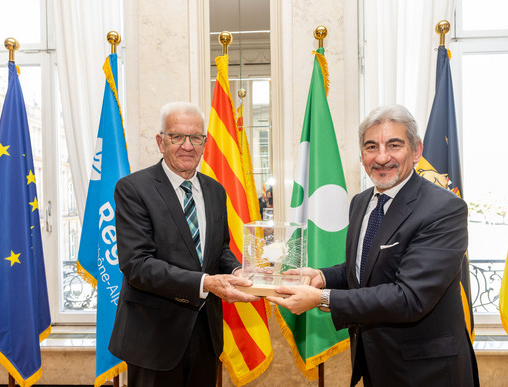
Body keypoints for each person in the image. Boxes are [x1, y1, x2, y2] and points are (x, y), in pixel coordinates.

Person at [268, 104, 479, 387]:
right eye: (371, 147)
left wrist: (322, 298)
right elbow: (366, 269)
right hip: (377, 364)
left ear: (416, 150)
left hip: (428, 372)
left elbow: (410, 296)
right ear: (362, 155)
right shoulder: (361, 202)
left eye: (394, 145)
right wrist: (322, 277)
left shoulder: (444, 209)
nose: (382, 157)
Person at [109, 102, 259, 387]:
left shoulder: (215, 191)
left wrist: (238, 271)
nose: (187, 146)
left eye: (196, 137)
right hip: (153, 338)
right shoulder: (133, 189)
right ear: (160, 142)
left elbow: (220, 250)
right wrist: (205, 283)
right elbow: (137, 265)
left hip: (206, 335)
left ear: (205, 142)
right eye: (177, 137)